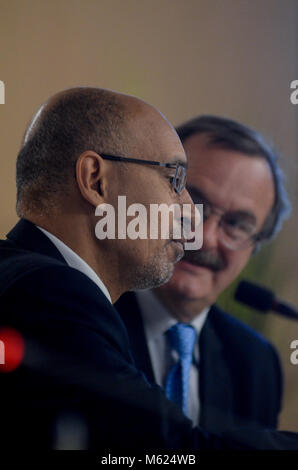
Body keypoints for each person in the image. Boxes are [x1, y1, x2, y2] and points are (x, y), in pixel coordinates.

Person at [0, 89, 296, 451]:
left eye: (237, 223)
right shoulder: (51, 291)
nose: (193, 222)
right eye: (177, 181)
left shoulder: (30, 275)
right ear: (96, 180)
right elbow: (166, 450)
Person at [116, 115, 291, 433]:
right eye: (194, 202)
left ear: (256, 245)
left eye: (237, 224)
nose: (206, 236)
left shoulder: (256, 363)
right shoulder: (86, 318)